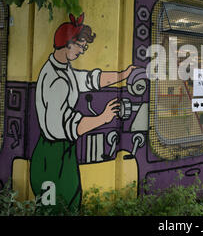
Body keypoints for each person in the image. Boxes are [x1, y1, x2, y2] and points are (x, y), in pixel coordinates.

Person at [30, 13, 135, 212]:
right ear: (67, 43)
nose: (82, 51)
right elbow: (62, 126)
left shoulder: (63, 69)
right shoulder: (55, 80)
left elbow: (88, 79)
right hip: (52, 152)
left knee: (71, 198)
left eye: (84, 47)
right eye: (80, 45)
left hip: (63, 149)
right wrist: (102, 118)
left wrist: (122, 75)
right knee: (54, 205)